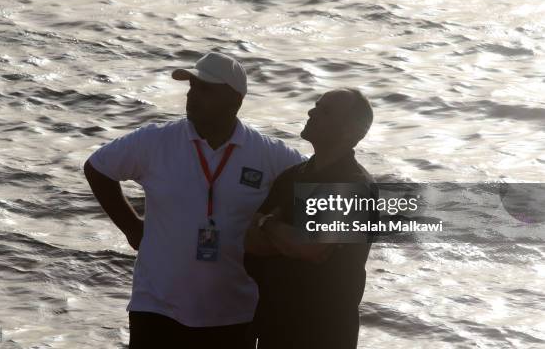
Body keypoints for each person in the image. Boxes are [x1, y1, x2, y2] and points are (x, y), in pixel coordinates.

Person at [83, 51, 305, 349]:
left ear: (235, 101)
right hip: (156, 306)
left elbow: (319, 186)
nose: (193, 97)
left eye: (206, 90)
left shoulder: (268, 154)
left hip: (232, 311)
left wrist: (278, 233)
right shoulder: (155, 141)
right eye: (192, 88)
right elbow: (98, 168)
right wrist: (132, 228)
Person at [244, 88, 378, 349]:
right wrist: (289, 238)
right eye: (316, 105)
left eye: (324, 111)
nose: (311, 112)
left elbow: (310, 248)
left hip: (325, 333)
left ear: (350, 131)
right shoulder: (291, 176)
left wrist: (268, 223)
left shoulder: (354, 183)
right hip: (275, 327)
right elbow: (250, 241)